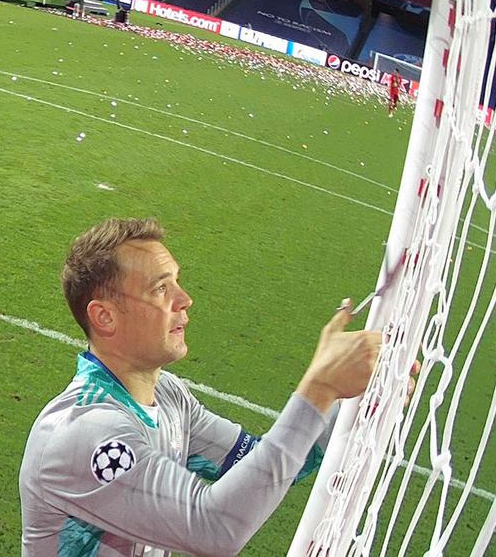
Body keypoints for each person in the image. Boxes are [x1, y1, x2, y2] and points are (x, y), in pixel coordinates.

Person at [19, 218, 383, 557]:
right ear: (105, 317)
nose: (184, 299)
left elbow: (264, 466)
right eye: (161, 288)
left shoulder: (169, 397)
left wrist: (353, 399)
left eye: (177, 281)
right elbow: (215, 528)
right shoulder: (81, 433)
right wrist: (319, 386)